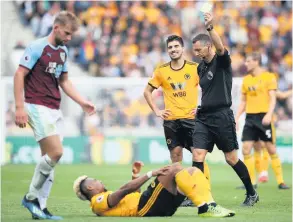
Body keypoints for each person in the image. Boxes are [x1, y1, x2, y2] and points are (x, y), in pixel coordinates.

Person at [14, 11, 96, 220]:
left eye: (71, 35)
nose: (69, 38)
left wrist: (82, 101)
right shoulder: (37, 47)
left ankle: (39, 207)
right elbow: (19, 74)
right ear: (56, 27)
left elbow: (65, 81)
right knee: (56, 153)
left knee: (49, 159)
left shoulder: (63, 52)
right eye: (67, 33)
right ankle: (31, 198)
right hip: (36, 105)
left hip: (54, 107)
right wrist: (19, 107)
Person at [191, 12, 258, 206]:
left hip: (222, 116)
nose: (196, 54)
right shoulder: (200, 67)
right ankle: (199, 196)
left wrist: (210, 28)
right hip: (203, 117)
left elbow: (221, 48)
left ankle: (251, 192)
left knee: (231, 158)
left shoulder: (221, 62)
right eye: (194, 51)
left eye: (198, 50)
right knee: (198, 155)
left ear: (208, 46)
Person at [144, 34, 211, 207]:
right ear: (167, 50)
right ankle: (180, 194)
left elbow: (209, 88)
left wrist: (200, 108)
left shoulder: (194, 68)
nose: (173, 50)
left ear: (182, 48)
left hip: (191, 119)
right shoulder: (161, 70)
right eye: (170, 47)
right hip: (171, 121)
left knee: (198, 155)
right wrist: (157, 111)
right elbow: (147, 92)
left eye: (176, 47)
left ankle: (202, 190)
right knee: (176, 157)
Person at [73, 161, 235, 218]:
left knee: (192, 171)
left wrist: (134, 175)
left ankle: (209, 205)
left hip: (148, 204)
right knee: (173, 169)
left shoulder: (104, 199)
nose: (99, 180)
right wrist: (150, 174)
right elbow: (123, 191)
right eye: (95, 180)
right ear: (89, 187)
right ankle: (204, 207)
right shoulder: (96, 203)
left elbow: (130, 195)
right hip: (145, 208)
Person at [235, 52, 290, 190]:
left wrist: (269, 114)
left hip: (264, 116)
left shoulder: (269, 77)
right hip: (250, 118)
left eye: (248, 61)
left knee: (270, 149)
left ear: (256, 61)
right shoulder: (246, 80)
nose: (245, 64)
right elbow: (243, 101)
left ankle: (281, 181)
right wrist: (236, 117)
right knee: (246, 149)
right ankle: (252, 183)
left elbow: (273, 98)